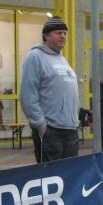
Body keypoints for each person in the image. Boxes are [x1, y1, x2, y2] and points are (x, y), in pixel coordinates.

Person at [21, 16, 80, 163]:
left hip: (70, 129)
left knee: (70, 173)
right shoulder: (35, 57)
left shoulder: (62, 59)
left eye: (65, 33)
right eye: (58, 33)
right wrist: (40, 125)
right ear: (46, 35)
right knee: (51, 174)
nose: (63, 36)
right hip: (51, 131)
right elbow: (28, 94)